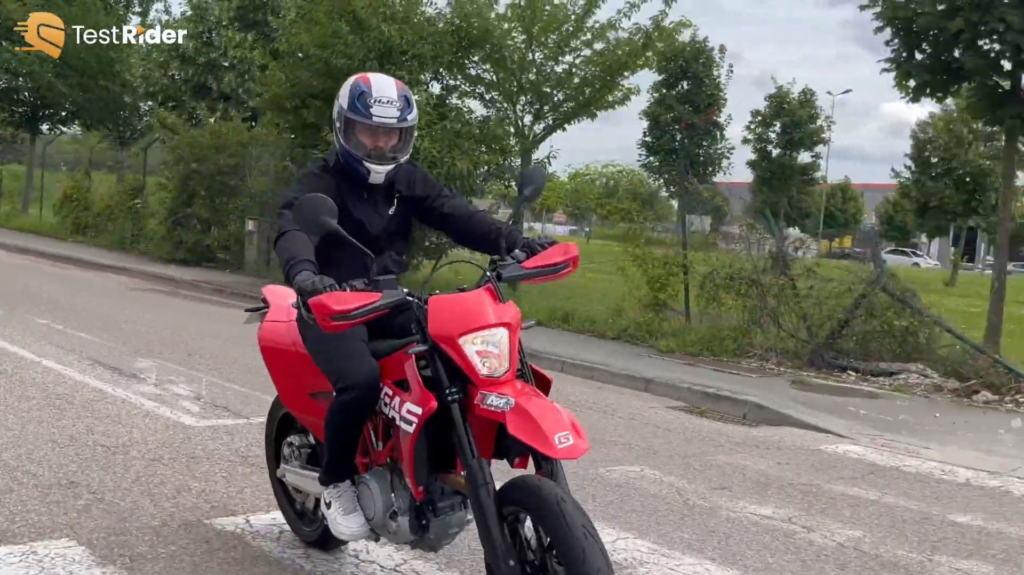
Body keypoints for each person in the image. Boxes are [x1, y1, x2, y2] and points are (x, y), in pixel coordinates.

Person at [273, 72, 556, 542]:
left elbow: (456, 214)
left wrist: (516, 242)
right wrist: (305, 276)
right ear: (345, 127)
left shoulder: (406, 180)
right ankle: (336, 482)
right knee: (361, 380)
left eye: (392, 133)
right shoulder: (320, 180)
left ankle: (440, 463)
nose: (381, 142)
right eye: (370, 130)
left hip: (388, 297)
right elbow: (293, 229)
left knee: (456, 353)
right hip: (330, 305)